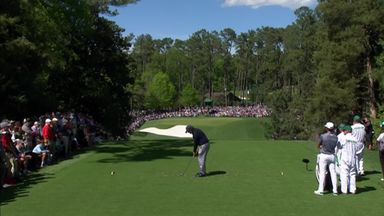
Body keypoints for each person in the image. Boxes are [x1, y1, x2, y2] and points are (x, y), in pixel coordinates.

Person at [314, 122, 338, 196]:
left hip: (324, 156)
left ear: (327, 128)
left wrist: (321, 147)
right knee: (333, 173)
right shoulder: (336, 137)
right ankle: (335, 190)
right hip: (332, 156)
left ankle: (321, 190)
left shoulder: (323, 136)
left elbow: (318, 145)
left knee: (322, 173)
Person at [337, 125, 358, 194]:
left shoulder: (344, 138)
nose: (343, 132)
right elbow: (357, 149)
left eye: (344, 130)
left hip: (345, 158)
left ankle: (344, 190)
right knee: (352, 174)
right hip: (353, 159)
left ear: (346, 131)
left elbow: (339, 146)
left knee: (344, 174)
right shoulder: (355, 139)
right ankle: (353, 190)